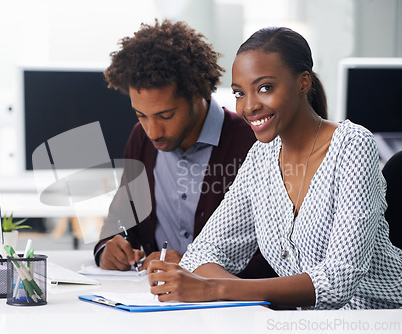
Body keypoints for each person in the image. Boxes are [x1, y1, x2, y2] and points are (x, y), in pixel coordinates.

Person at [147, 27, 402, 310]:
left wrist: (214, 287)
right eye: (239, 93)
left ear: (303, 83)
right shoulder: (261, 156)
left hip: (378, 319)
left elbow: (337, 282)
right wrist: (210, 286)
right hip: (300, 323)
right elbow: (202, 253)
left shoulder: (353, 146)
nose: (250, 106)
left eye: (265, 88)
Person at [94, 19, 276, 280]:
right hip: (156, 300)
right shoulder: (141, 139)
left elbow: (274, 253)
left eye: (165, 115)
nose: (153, 131)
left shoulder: (252, 142)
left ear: (196, 93)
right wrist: (109, 248)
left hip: (229, 307)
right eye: (141, 115)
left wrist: (194, 265)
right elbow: (123, 219)